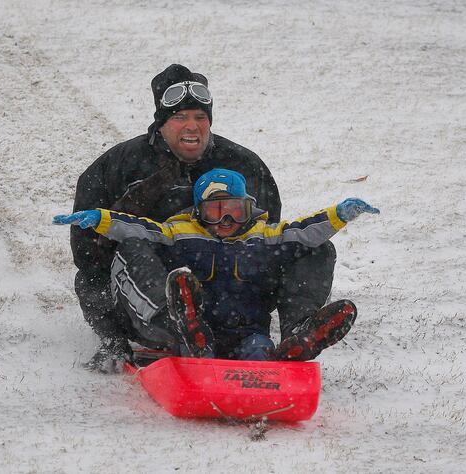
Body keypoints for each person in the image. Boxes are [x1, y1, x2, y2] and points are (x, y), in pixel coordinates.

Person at [70, 63, 334, 372]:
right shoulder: (117, 167)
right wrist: (112, 333)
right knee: (126, 251)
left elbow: (267, 235)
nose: (191, 126)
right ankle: (176, 327)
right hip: (151, 294)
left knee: (315, 247)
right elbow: (87, 260)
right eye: (180, 117)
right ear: (161, 123)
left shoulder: (244, 165)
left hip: (233, 294)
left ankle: (299, 333)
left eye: (200, 117)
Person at [55, 168, 379, 363]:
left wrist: (340, 214)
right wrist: (99, 218)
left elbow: (307, 230)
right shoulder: (179, 233)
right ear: (198, 212)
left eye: (234, 211)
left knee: (317, 248)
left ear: (248, 209)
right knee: (133, 246)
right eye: (214, 211)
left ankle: (297, 339)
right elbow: (136, 228)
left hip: (247, 334)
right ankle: (181, 325)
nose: (225, 220)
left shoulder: (264, 236)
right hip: (191, 331)